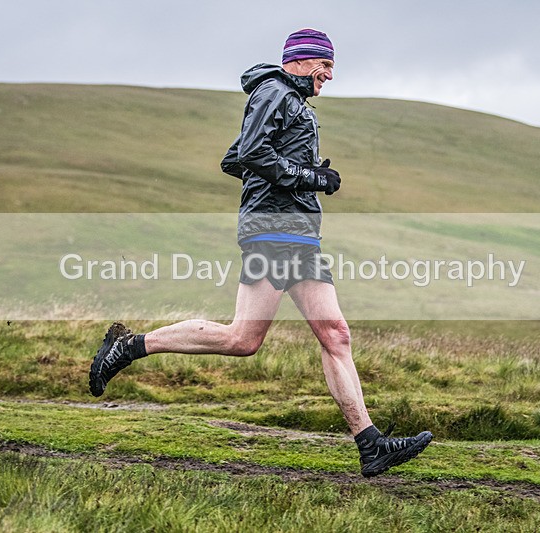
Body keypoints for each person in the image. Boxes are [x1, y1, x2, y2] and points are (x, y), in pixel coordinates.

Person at [89, 28, 432, 477]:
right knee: (250, 338)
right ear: (300, 60)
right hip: (274, 230)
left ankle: (371, 446)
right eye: (324, 65)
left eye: (332, 67)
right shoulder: (274, 91)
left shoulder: (286, 98)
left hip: (297, 230)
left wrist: (294, 172)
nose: (329, 75)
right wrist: (308, 177)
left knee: (326, 336)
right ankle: (130, 346)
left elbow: (235, 160)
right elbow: (251, 153)